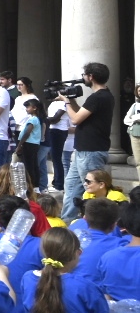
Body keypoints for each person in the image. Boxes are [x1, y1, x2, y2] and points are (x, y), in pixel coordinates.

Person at [60, 62, 114, 219]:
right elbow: (81, 115)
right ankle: (68, 222)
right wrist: (71, 100)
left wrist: (66, 101)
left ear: (91, 77)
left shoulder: (97, 97)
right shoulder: (105, 95)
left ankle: (99, 222)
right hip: (83, 151)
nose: (83, 78)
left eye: (84, 75)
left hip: (91, 151)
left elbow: (75, 119)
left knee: (93, 191)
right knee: (71, 188)